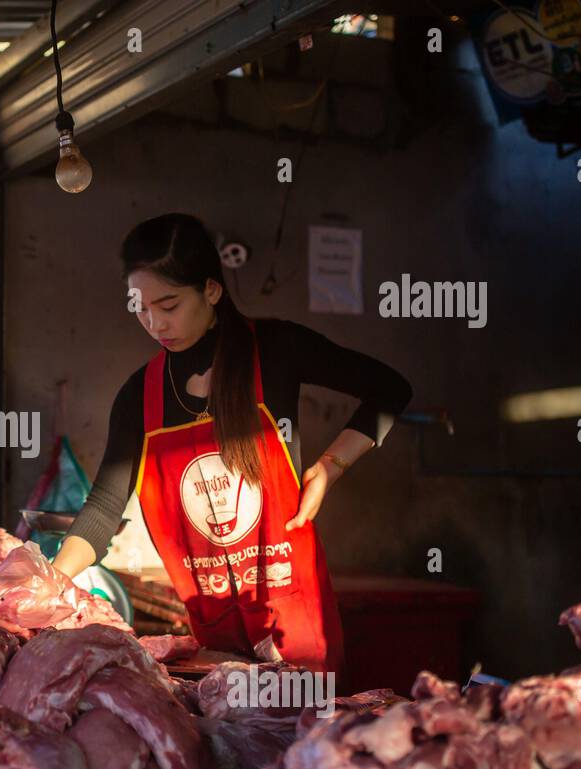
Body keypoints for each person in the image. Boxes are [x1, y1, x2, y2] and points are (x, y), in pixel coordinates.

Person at [53, 214, 412, 675]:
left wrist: (331, 465)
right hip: (214, 639)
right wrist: (45, 586)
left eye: (169, 305)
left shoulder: (278, 349)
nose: (154, 322)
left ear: (211, 291)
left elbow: (390, 389)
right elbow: (104, 508)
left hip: (294, 623)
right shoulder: (139, 396)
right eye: (140, 308)